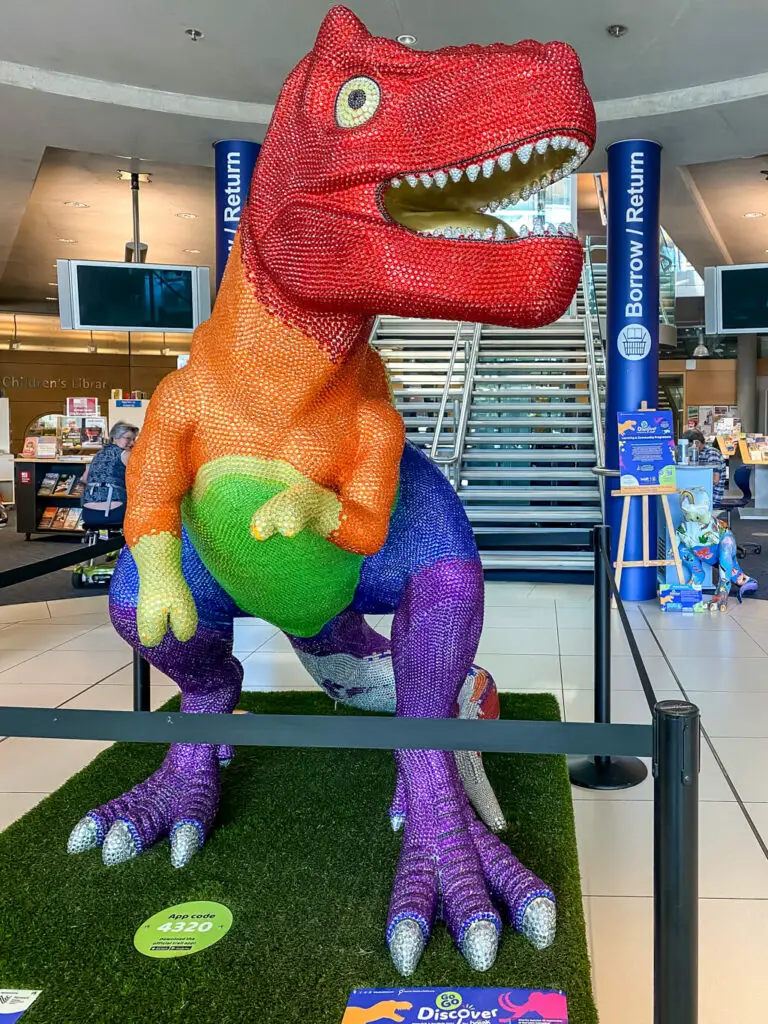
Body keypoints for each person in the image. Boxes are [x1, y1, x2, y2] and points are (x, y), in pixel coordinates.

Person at [80, 421, 138, 527]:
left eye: (134, 439)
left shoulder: (98, 454)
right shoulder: (127, 454)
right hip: (113, 512)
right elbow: (138, 481)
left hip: (88, 513)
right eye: (128, 438)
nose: (133, 443)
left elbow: (84, 479)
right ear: (115, 437)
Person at [681, 428, 727, 508]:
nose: (687, 449)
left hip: (711, 495)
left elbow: (715, 480)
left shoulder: (712, 453)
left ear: (697, 443)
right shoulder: (698, 453)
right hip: (702, 492)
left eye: (688, 445)